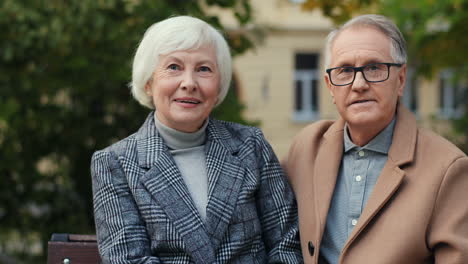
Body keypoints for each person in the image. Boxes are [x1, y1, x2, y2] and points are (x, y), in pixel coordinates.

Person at [91, 16, 302, 263]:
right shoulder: (115, 163)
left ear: (219, 84)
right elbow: (128, 259)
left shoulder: (250, 145)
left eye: (204, 69)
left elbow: (286, 244)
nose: (189, 83)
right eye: (173, 67)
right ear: (149, 82)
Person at [284, 14, 468, 264]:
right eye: (345, 70)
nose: (359, 84)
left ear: (401, 79)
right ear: (330, 86)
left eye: (373, 68)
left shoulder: (448, 169)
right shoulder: (306, 148)